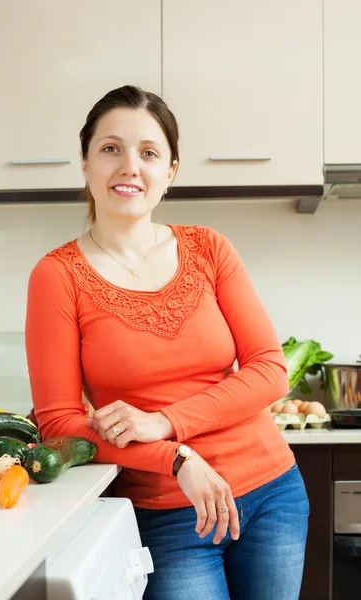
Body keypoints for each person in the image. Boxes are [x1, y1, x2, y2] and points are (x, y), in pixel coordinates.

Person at [25, 85, 309, 600]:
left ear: (170, 170)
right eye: (110, 148)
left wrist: (165, 422)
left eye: (148, 153)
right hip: (168, 516)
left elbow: (270, 369)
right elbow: (60, 425)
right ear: (85, 163)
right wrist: (175, 457)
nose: (129, 166)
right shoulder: (56, 276)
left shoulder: (210, 248)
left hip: (273, 495)